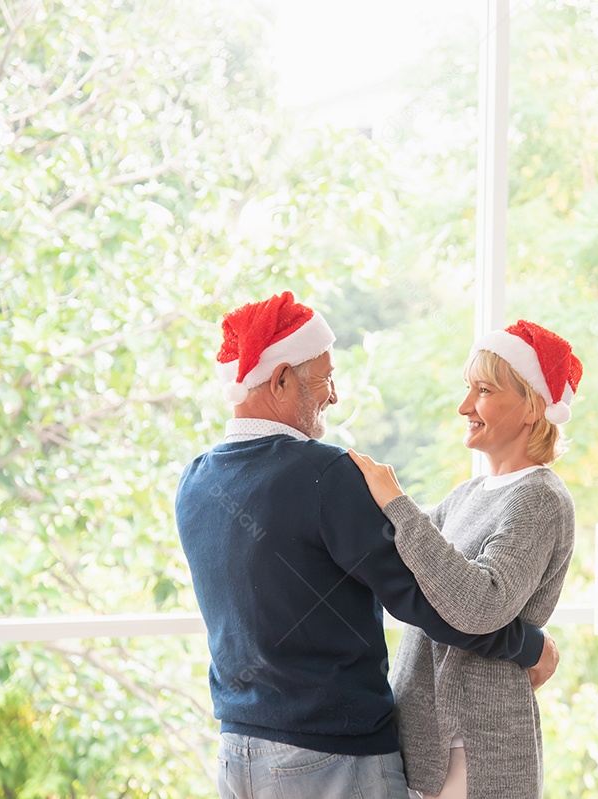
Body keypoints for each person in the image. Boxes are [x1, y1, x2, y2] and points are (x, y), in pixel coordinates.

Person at [174, 292, 559, 799]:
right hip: (331, 761)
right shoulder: (326, 474)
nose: (333, 396)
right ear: (282, 379)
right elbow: (430, 601)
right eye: (326, 377)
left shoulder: (196, 480)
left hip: (238, 755)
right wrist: (529, 646)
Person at [348, 319, 583, 799]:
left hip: (476, 749)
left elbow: (480, 605)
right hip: (430, 745)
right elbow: (406, 557)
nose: (464, 407)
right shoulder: (468, 494)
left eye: (483, 390)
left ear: (532, 407)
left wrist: (397, 501)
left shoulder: (539, 498)